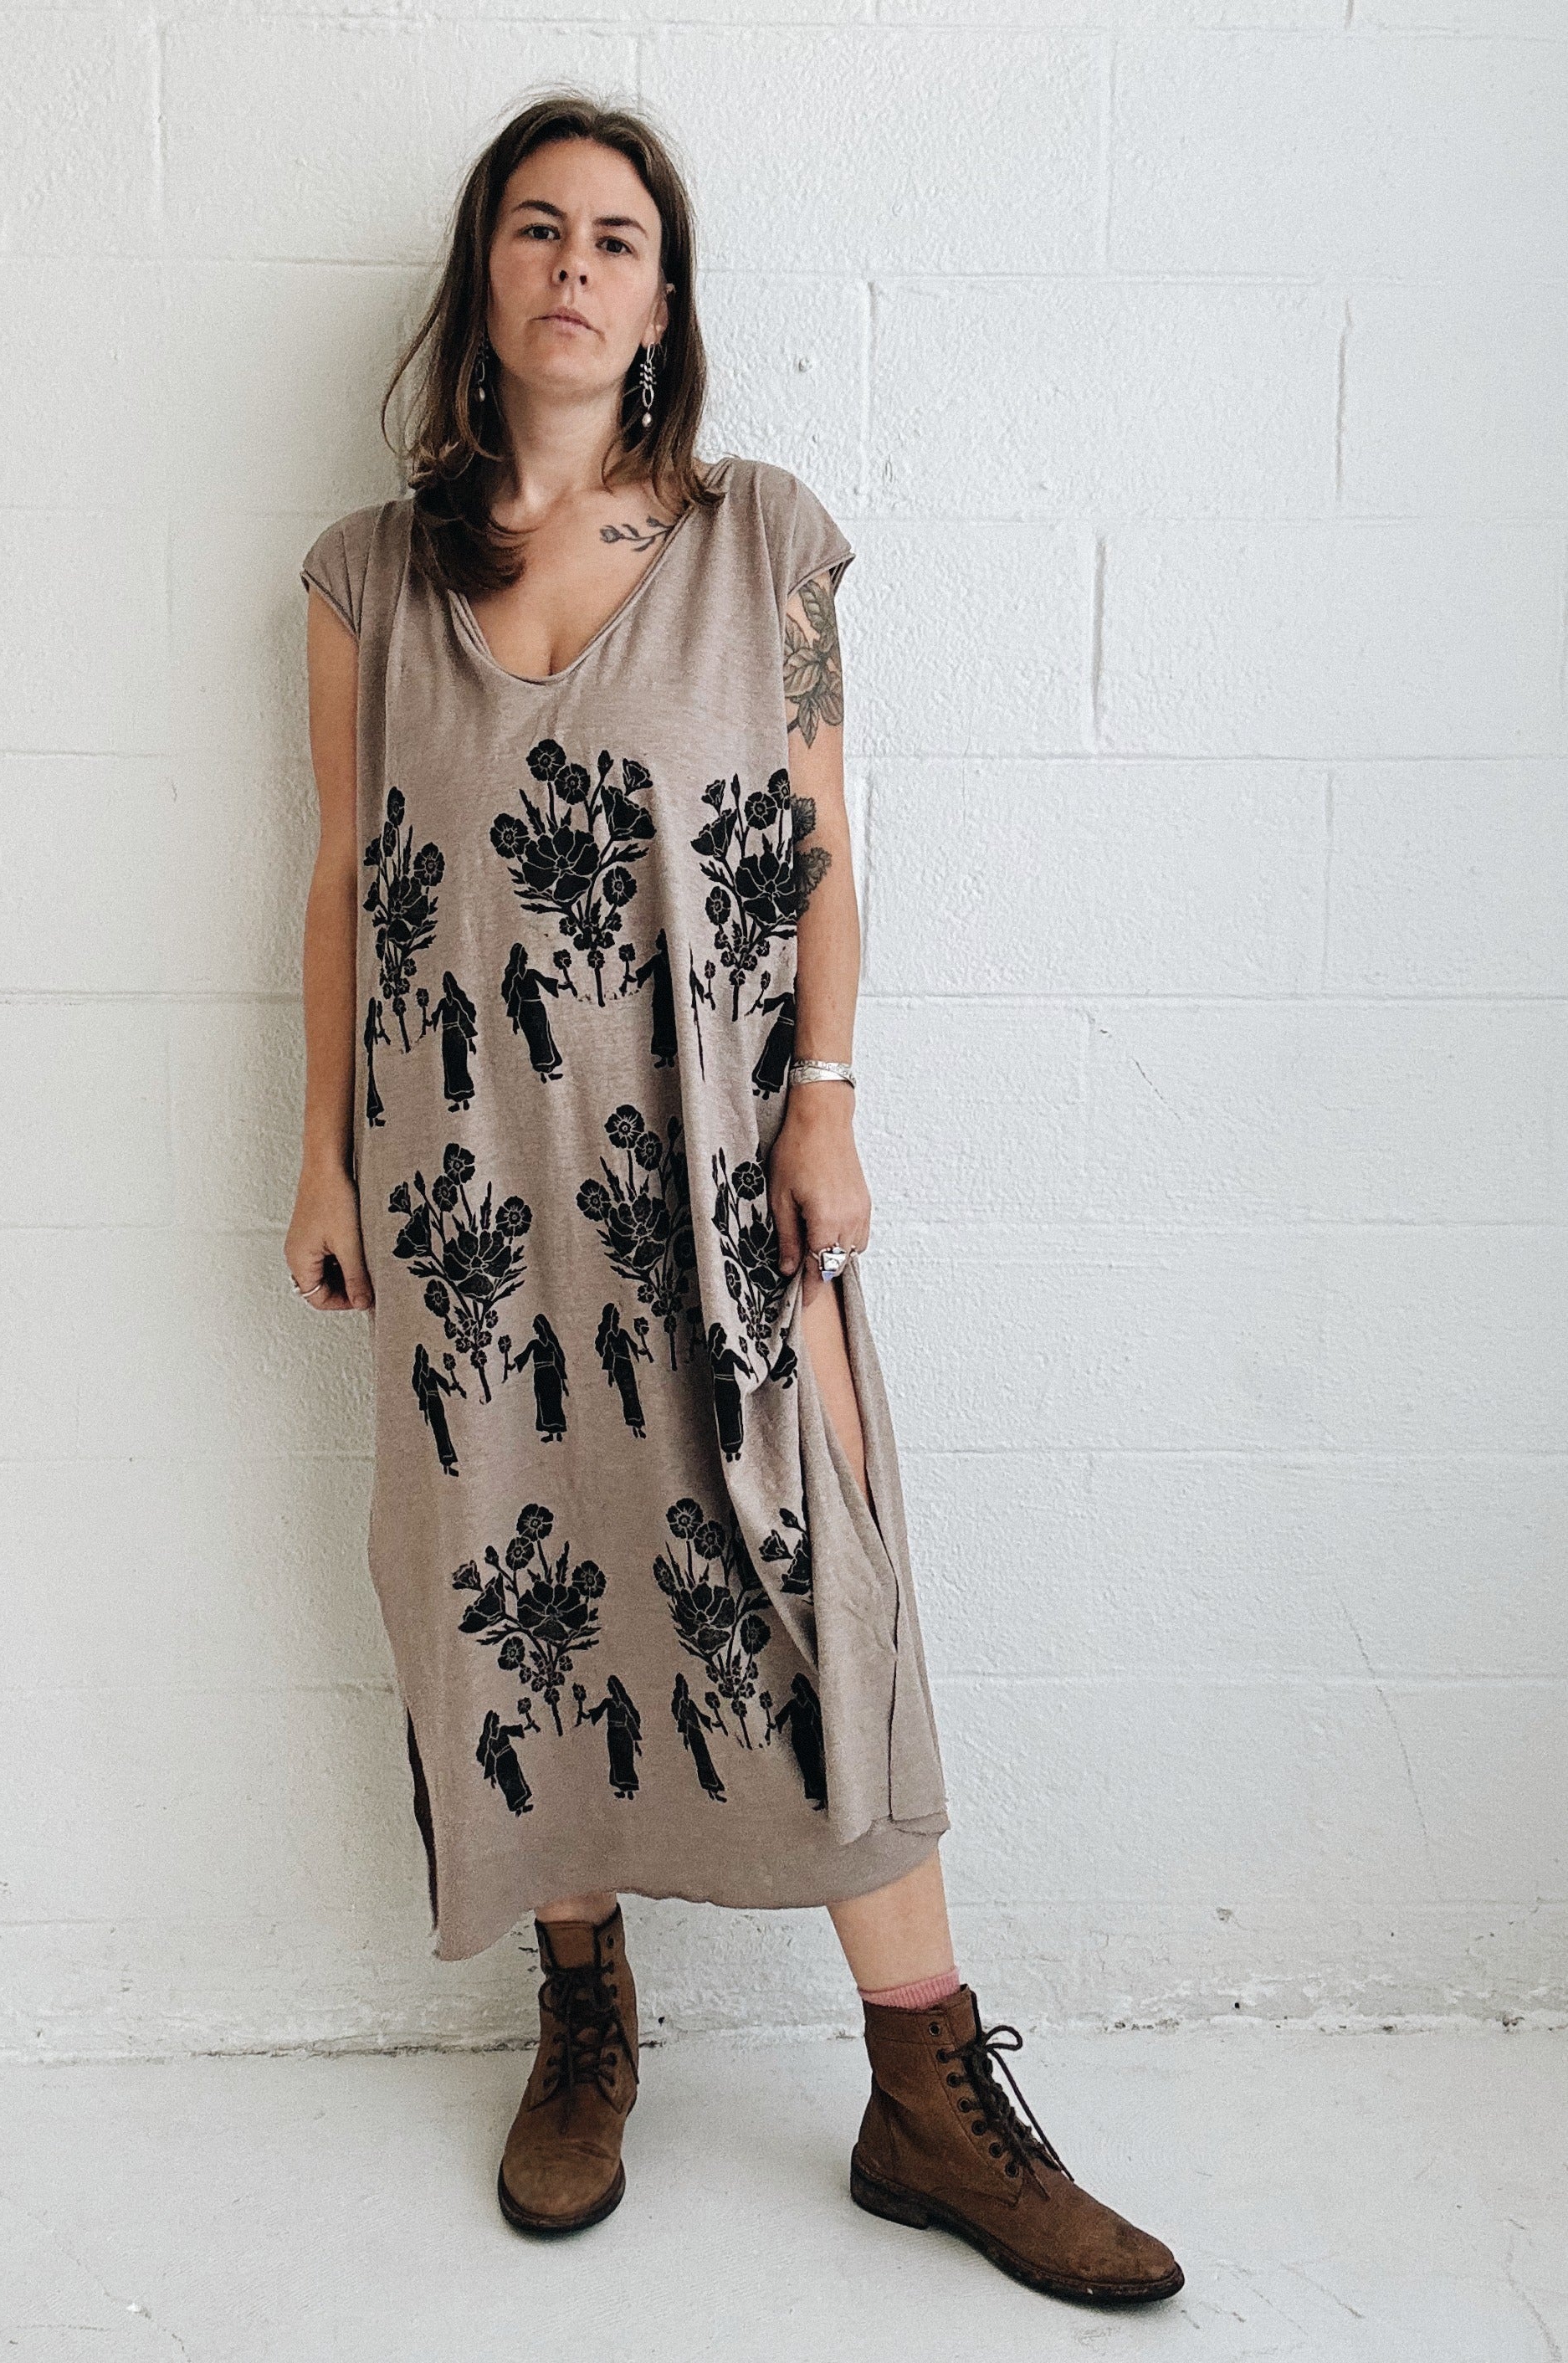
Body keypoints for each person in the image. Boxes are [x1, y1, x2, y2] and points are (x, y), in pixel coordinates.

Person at [287, 90, 1183, 2307]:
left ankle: (927, 2085)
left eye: (618, 238)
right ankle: (584, 2020)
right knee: (515, 1574)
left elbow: (822, 852)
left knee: (814, 1579)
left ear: (665, 300)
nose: (575, 266)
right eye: (537, 229)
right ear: (483, 279)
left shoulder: (763, 541)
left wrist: (826, 1103)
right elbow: (338, 877)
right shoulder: (367, 577)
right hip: (468, 1192)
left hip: (712, 1175)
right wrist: (319, 1156)